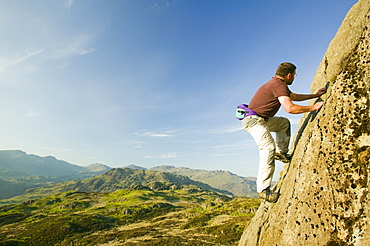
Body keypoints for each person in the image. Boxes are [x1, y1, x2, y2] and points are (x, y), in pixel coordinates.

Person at [242, 62, 326, 202]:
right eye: (294, 75)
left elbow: (293, 96)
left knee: (283, 124)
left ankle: (282, 153)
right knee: (268, 148)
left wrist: (314, 96)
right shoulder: (278, 85)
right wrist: (313, 108)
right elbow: (290, 108)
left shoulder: (277, 85)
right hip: (254, 121)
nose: (294, 78)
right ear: (288, 75)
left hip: (262, 119)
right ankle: (263, 190)